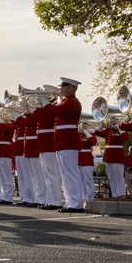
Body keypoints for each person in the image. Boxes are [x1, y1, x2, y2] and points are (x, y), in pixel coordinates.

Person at [51, 77, 84, 213]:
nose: (60, 89)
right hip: (62, 141)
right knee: (65, 174)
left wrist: (46, 103)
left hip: (68, 141)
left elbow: (57, 111)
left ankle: (76, 203)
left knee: (71, 173)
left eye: (63, 87)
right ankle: (70, 201)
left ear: (71, 88)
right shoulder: (66, 101)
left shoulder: (73, 102)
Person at [95, 124, 127, 198]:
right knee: (111, 178)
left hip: (117, 157)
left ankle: (121, 195)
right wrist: (102, 125)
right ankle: (114, 195)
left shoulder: (119, 130)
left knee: (119, 177)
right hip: (108, 157)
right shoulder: (107, 130)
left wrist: (119, 127)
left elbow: (125, 138)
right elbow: (96, 132)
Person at [0, 117, 17, 204]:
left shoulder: (10, 125)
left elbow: (4, 129)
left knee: (6, 176)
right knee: (0, 176)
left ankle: (8, 197)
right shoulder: (1, 126)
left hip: (5, 152)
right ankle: (2, 195)